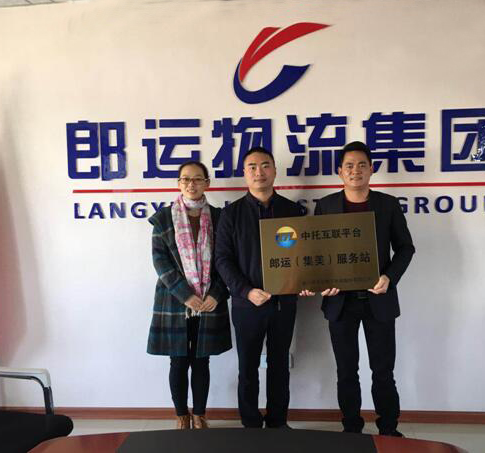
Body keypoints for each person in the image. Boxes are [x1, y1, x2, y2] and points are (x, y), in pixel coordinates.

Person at [302, 141, 415, 436]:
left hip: (379, 299)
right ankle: (351, 428)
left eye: (362, 165)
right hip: (340, 302)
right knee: (346, 370)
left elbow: (405, 248)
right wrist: (321, 282)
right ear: (340, 171)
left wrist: (389, 277)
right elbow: (316, 252)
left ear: (371, 169)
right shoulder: (326, 206)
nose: (356, 171)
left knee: (383, 371)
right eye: (349, 166)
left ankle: (388, 428)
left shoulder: (387, 205)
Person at [215, 146, 306, 429]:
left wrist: (304, 281)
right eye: (252, 167)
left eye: (265, 165)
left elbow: (304, 255)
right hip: (246, 304)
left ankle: (278, 422)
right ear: (245, 173)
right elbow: (222, 259)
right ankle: (251, 423)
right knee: (248, 367)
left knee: (280, 365)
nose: (259, 172)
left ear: (274, 171)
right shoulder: (230, 214)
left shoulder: (293, 211)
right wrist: (246, 291)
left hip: (283, 303)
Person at [147, 161, 231, 430]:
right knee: (178, 360)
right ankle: (182, 416)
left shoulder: (220, 217)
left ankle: (200, 415)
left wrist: (216, 294)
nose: (191, 184)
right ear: (178, 183)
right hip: (175, 301)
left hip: (209, 300)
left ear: (207, 183)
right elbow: (160, 261)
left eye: (197, 179)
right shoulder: (163, 218)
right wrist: (184, 294)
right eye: (185, 179)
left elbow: (227, 260)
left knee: (202, 360)